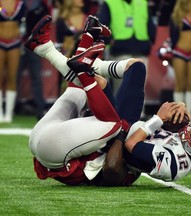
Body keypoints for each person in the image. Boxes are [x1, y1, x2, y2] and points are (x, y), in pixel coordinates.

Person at [26, 15, 145, 186]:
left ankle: (83, 63)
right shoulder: (146, 142)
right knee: (134, 68)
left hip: (53, 147)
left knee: (115, 124)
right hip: (45, 140)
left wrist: (157, 121)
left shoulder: (131, 164)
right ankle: (84, 47)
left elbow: (112, 167)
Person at [98, 0, 157, 118]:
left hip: (141, 48)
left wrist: (150, 40)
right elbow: (102, 25)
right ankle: (118, 115)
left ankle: (140, 115)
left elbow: (150, 24)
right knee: (121, 86)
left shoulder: (142, 3)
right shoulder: (110, 3)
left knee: (141, 85)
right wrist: (110, 41)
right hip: (120, 50)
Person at [17, 0, 49, 120]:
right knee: (14, 76)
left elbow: (47, 21)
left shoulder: (41, 4)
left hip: (33, 44)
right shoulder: (17, 3)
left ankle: (40, 108)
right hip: (16, 43)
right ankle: (10, 108)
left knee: (36, 77)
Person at [169, 0, 191, 119]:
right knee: (180, 84)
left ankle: (188, 115)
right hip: (180, 52)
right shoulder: (178, 13)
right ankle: (178, 115)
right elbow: (173, 35)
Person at [0, 0, 26, 123]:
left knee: (12, 77)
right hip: (0, 42)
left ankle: (9, 113)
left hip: (14, 43)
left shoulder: (20, 3)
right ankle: (0, 113)